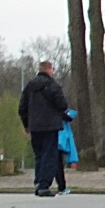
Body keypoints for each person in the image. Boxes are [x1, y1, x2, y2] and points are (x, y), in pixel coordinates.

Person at [17, 60, 72, 197]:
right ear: (48, 70)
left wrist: (27, 124)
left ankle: (38, 182)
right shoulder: (52, 85)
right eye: (52, 69)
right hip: (50, 126)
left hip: (35, 126)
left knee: (39, 155)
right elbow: (62, 104)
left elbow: (22, 108)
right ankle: (44, 185)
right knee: (50, 155)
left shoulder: (30, 86)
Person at [56, 108, 78, 194]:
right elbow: (67, 117)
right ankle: (61, 186)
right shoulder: (58, 111)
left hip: (43, 133)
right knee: (58, 162)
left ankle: (41, 184)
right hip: (57, 138)